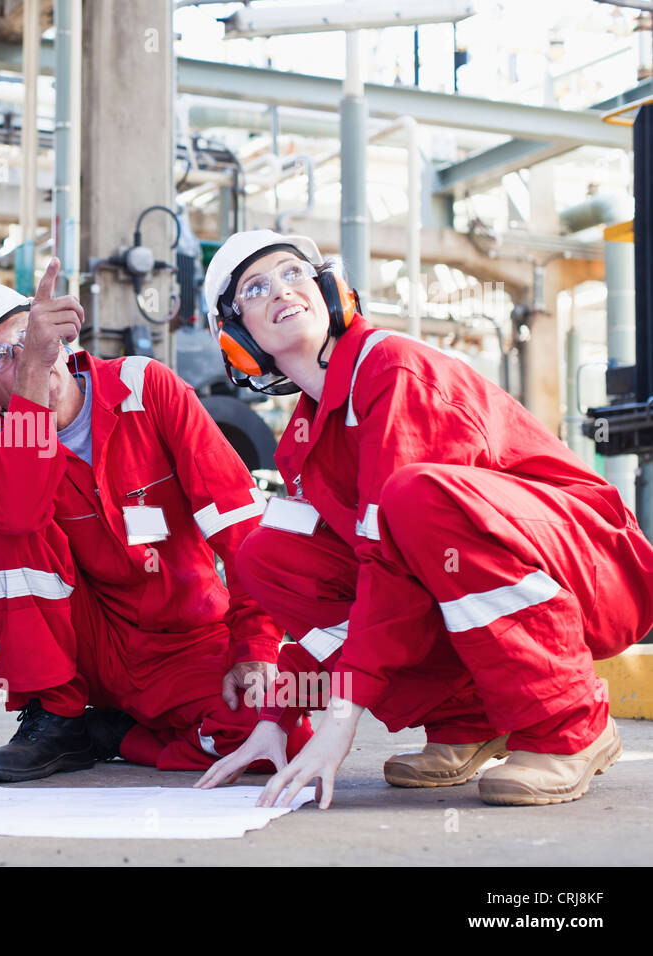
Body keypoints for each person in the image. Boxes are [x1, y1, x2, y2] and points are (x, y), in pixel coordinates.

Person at [194, 228, 653, 808]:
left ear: (330, 289)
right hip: (510, 560)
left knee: (415, 499)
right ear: (237, 338)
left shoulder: (392, 368)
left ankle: (569, 722)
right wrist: (277, 718)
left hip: (596, 567)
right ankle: (469, 719)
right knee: (272, 554)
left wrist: (342, 711)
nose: (282, 290)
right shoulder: (303, 443)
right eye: (255, 289)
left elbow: (391, 553)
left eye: (292, 272)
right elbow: (362, 584)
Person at [0, 258, 312, 782]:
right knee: (3, 530)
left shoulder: (146, 387)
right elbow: (19, 516)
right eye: (1, 356)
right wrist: (29, 388)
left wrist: (254, 646)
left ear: (62, 338)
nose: (30, 355)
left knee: (274, 733)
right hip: (80, 652)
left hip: (180, 640)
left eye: (29, 336)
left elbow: (241, 525)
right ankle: (57, 715)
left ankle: (112, 735)